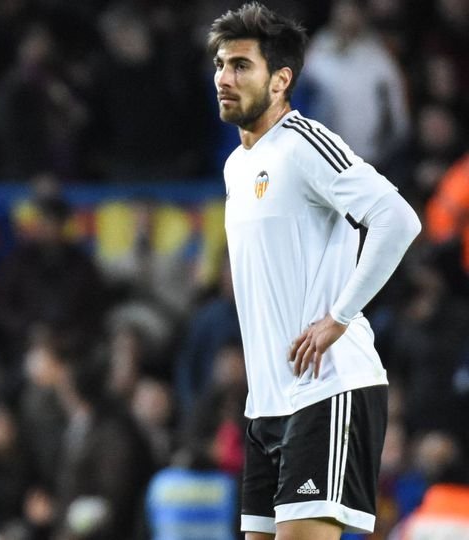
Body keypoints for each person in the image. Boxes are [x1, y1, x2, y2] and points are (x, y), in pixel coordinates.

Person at [207, 4, 421, 539]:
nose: (224, 79)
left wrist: (341, 316)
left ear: (281, 80)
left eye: (240, 66)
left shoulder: (304, 144)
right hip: (268, 404)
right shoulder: (237, 166)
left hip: (328, 390)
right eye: (220, 65)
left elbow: (397, 219)